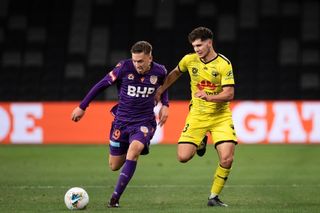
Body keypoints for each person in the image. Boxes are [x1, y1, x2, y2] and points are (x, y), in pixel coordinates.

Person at [71, 41, 169, 208]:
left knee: (135, 149)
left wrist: (165, 105)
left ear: (150, 58)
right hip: (121, 123)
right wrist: (82, 106)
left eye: (141, 61)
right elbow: (101, 85)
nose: (137, 65)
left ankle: (114, 199)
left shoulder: (160, 71)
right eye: (135, 61)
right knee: (114, 165)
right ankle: (133, 149)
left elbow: (164, 87)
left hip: (144, 122)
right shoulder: (123, 67)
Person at [155, 27, 237, 207]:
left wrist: (210, 97)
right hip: (197, 116)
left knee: (227, 158)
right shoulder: (189, 60)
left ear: (209, 42)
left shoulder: (224, 64)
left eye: (199, 45)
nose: (197, 49)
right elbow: (176, 72)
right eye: (194, 46)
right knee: (183, 157)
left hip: (220, 117)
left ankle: (213, 197)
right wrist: (161, 89)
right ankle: (201, 140)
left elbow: (229, 94)